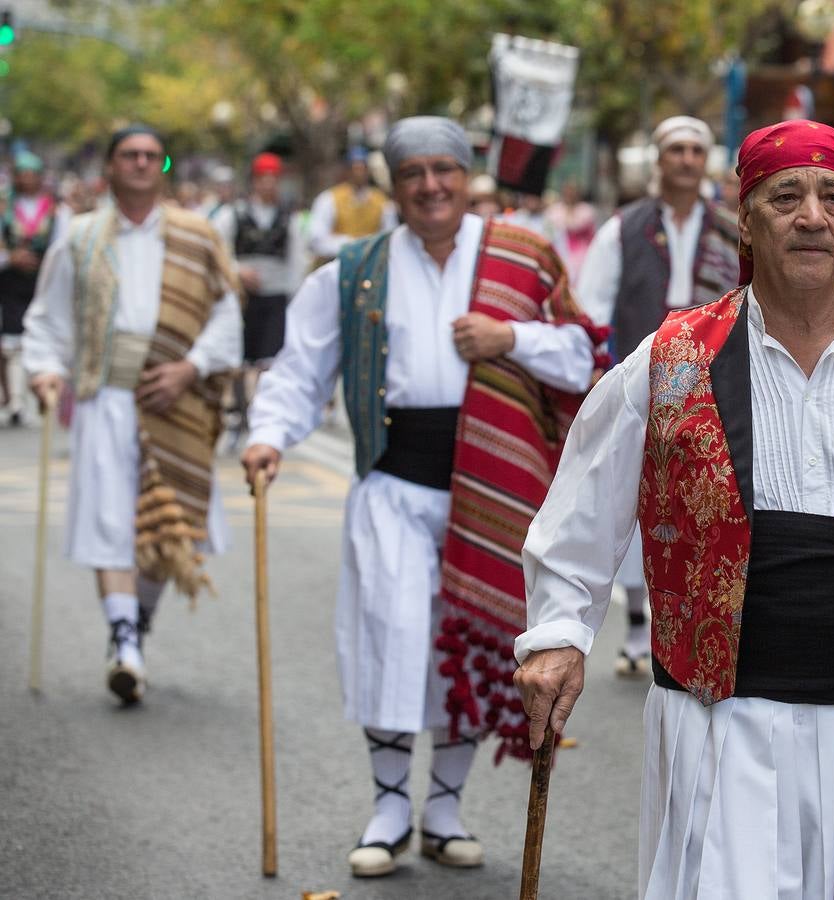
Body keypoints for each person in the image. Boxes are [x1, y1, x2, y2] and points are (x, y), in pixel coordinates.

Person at [515, 119, 834, 900]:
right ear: (745, 215)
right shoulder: (673, 359)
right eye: (785, 196)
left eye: (833, 197)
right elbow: (577, 515)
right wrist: (558, 635)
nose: (811, 216)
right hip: (717, 728)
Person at [240, 116, 602, 878]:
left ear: (467, 175)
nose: (431, 186)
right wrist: (269, 434)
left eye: (445, 170)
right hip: (392, 487)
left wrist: (512, 340)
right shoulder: (352, 269)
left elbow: (580, 354)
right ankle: (389, 806)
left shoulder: (524, 255)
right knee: (391, 640)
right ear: (393, 184)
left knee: (469, 642)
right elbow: (302, 370)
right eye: (414, 174)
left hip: (492, 492)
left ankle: (443, 807)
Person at [22, 125, 242, 703]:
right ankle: (123, 639)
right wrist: (45, 368)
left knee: (167, 525)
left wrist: (191, 368)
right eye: (129, 155)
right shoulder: (81, 236)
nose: (142, 162)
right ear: (111, 168)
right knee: (109, 520)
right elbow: (48, 317)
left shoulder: (200, 234)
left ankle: (134, 626)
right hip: (105, 397)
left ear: (163, 166)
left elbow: (227, 316)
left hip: (177, 398)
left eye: (151, 155)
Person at [573, 115, 740, 677]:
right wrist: (601, 372)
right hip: (641, 380)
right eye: (677, 150)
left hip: (712, 385)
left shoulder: (732, 226)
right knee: (638, 498)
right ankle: (641, 622)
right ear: (659, 161)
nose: (687, 160)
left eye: (697, 150)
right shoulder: (624, 227)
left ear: (707, 161)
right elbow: (592, 308)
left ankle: (693, 618)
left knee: (698, 499)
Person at [211, 152, 304, 440]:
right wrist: (238, 272)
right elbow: (217, 252)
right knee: (239, 360)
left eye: (273, 180)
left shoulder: (289, 219)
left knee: (269, 362)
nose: (268, 185)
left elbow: (297, 260)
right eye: (263, 179)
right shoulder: (233, 215)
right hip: (242, 298)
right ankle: (239, 414)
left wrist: (294, 298)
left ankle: (262, 415)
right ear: (254, 182)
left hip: (275, 297)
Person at [2, 151, 70, 425]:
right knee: (10, 342)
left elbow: (62, 245)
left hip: (43, 280)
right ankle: (16, 401)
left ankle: (46, 392)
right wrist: (10, 257)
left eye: (32, 175)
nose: (27, 180)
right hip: (9, 281)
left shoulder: (56, 210)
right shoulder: (3, 207)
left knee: (44, 334)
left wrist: (44, 263)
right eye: (22, 175)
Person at [307, 146, 397, 268]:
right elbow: (316, 240)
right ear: (346, 171)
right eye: (354, 168)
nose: (358, 173)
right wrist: (351, 245)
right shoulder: (329, 199)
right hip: (335, 264)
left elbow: (389, 238)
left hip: (369, 267)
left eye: (362, 168)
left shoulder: (382, 202)